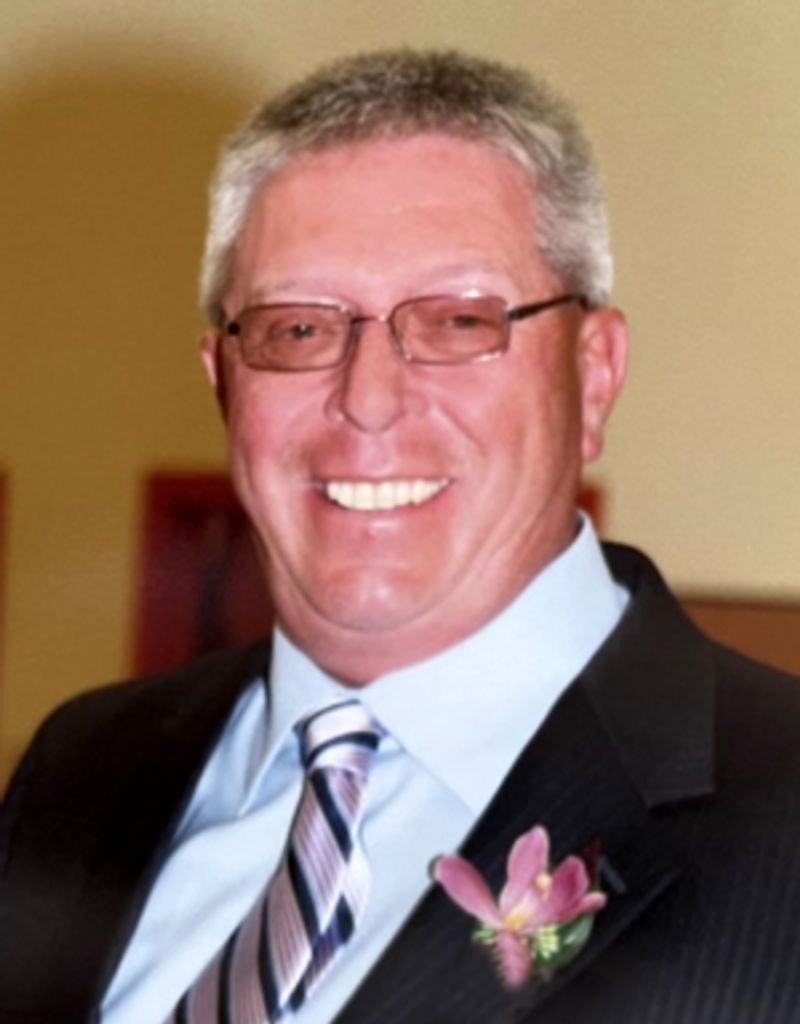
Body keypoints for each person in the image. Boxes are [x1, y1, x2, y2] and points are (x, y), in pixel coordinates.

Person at [1, 48, 800, 1024]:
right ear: (224, 384)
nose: (368, 400)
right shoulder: (78, 773)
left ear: (592, 375)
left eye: (459, 320)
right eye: (298, 329)